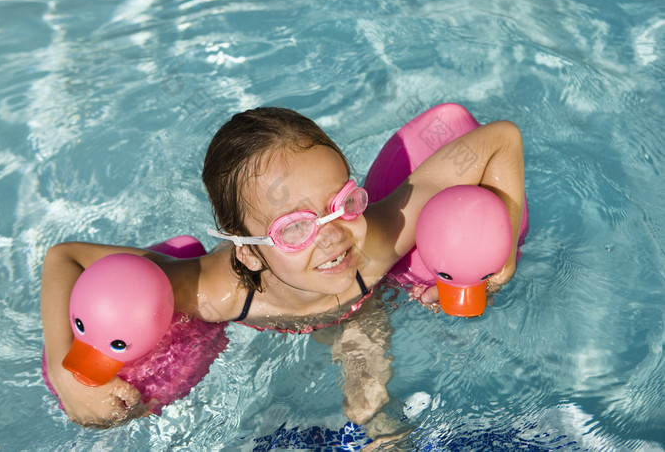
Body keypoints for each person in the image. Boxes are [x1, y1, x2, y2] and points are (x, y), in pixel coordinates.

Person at [41, 106, 525, 429]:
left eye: (342, 203)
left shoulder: (378, 238)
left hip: (360, 302)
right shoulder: (213, 293)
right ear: (249, 251)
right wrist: (68, 373)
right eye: (296, 228)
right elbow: (65, 258)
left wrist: (499, 253)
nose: (333, 234)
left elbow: (499, 139)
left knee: (370, 410)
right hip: (270, 310)